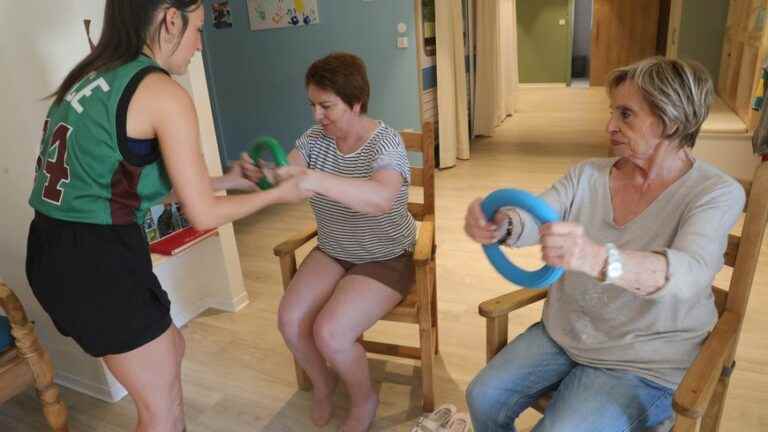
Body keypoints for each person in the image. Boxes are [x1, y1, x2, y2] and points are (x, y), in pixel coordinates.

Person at [25, 2, 309, 431]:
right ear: (170, 19)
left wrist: (229, 180)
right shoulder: (161, 92)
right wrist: (281, 195)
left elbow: (120, 184)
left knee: (172, 348)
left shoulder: (90, 77)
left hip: (55, 247)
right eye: (198, 28)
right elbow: (204, 214)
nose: (199, 44)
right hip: (97, 262)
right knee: (163, 412)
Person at [463, 57, 746, 432]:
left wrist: (597, 258)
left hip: (644, 360)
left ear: (671, 121)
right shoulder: (587, 174)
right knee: (481, 397)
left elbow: (690, 273)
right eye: (613, 112)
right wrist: (503, 224)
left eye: (626, 115)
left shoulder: (716, 192)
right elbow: (539, 215)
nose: (609, 126)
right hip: (567, 332)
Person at [243, 52, 417, 432]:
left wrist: (314, 179)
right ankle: (324, 385)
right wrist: (219, 183)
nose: (316, 116)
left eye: (326, 106)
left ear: (356, 104)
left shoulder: (385, 143)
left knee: (330, 333)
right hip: (335, 249)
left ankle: (363, 399)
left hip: (384, 256)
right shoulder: (313, 139)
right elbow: (283, 181)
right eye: (312, 105)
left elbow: (381, 199)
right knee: (289, 321)